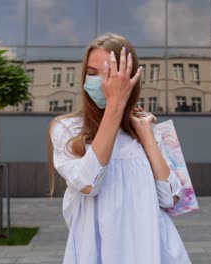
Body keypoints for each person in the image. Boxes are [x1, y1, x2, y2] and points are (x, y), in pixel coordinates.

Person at [47, 33, 191, 264]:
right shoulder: (66, 130)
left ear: (130, 79)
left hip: (152, 250)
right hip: (96, 252)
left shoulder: (146, 129)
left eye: (110, 75)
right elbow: (88, 182)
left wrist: (146, 136)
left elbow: (169, 198)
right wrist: (115, 105)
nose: (102, 83)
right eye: (91, 74)